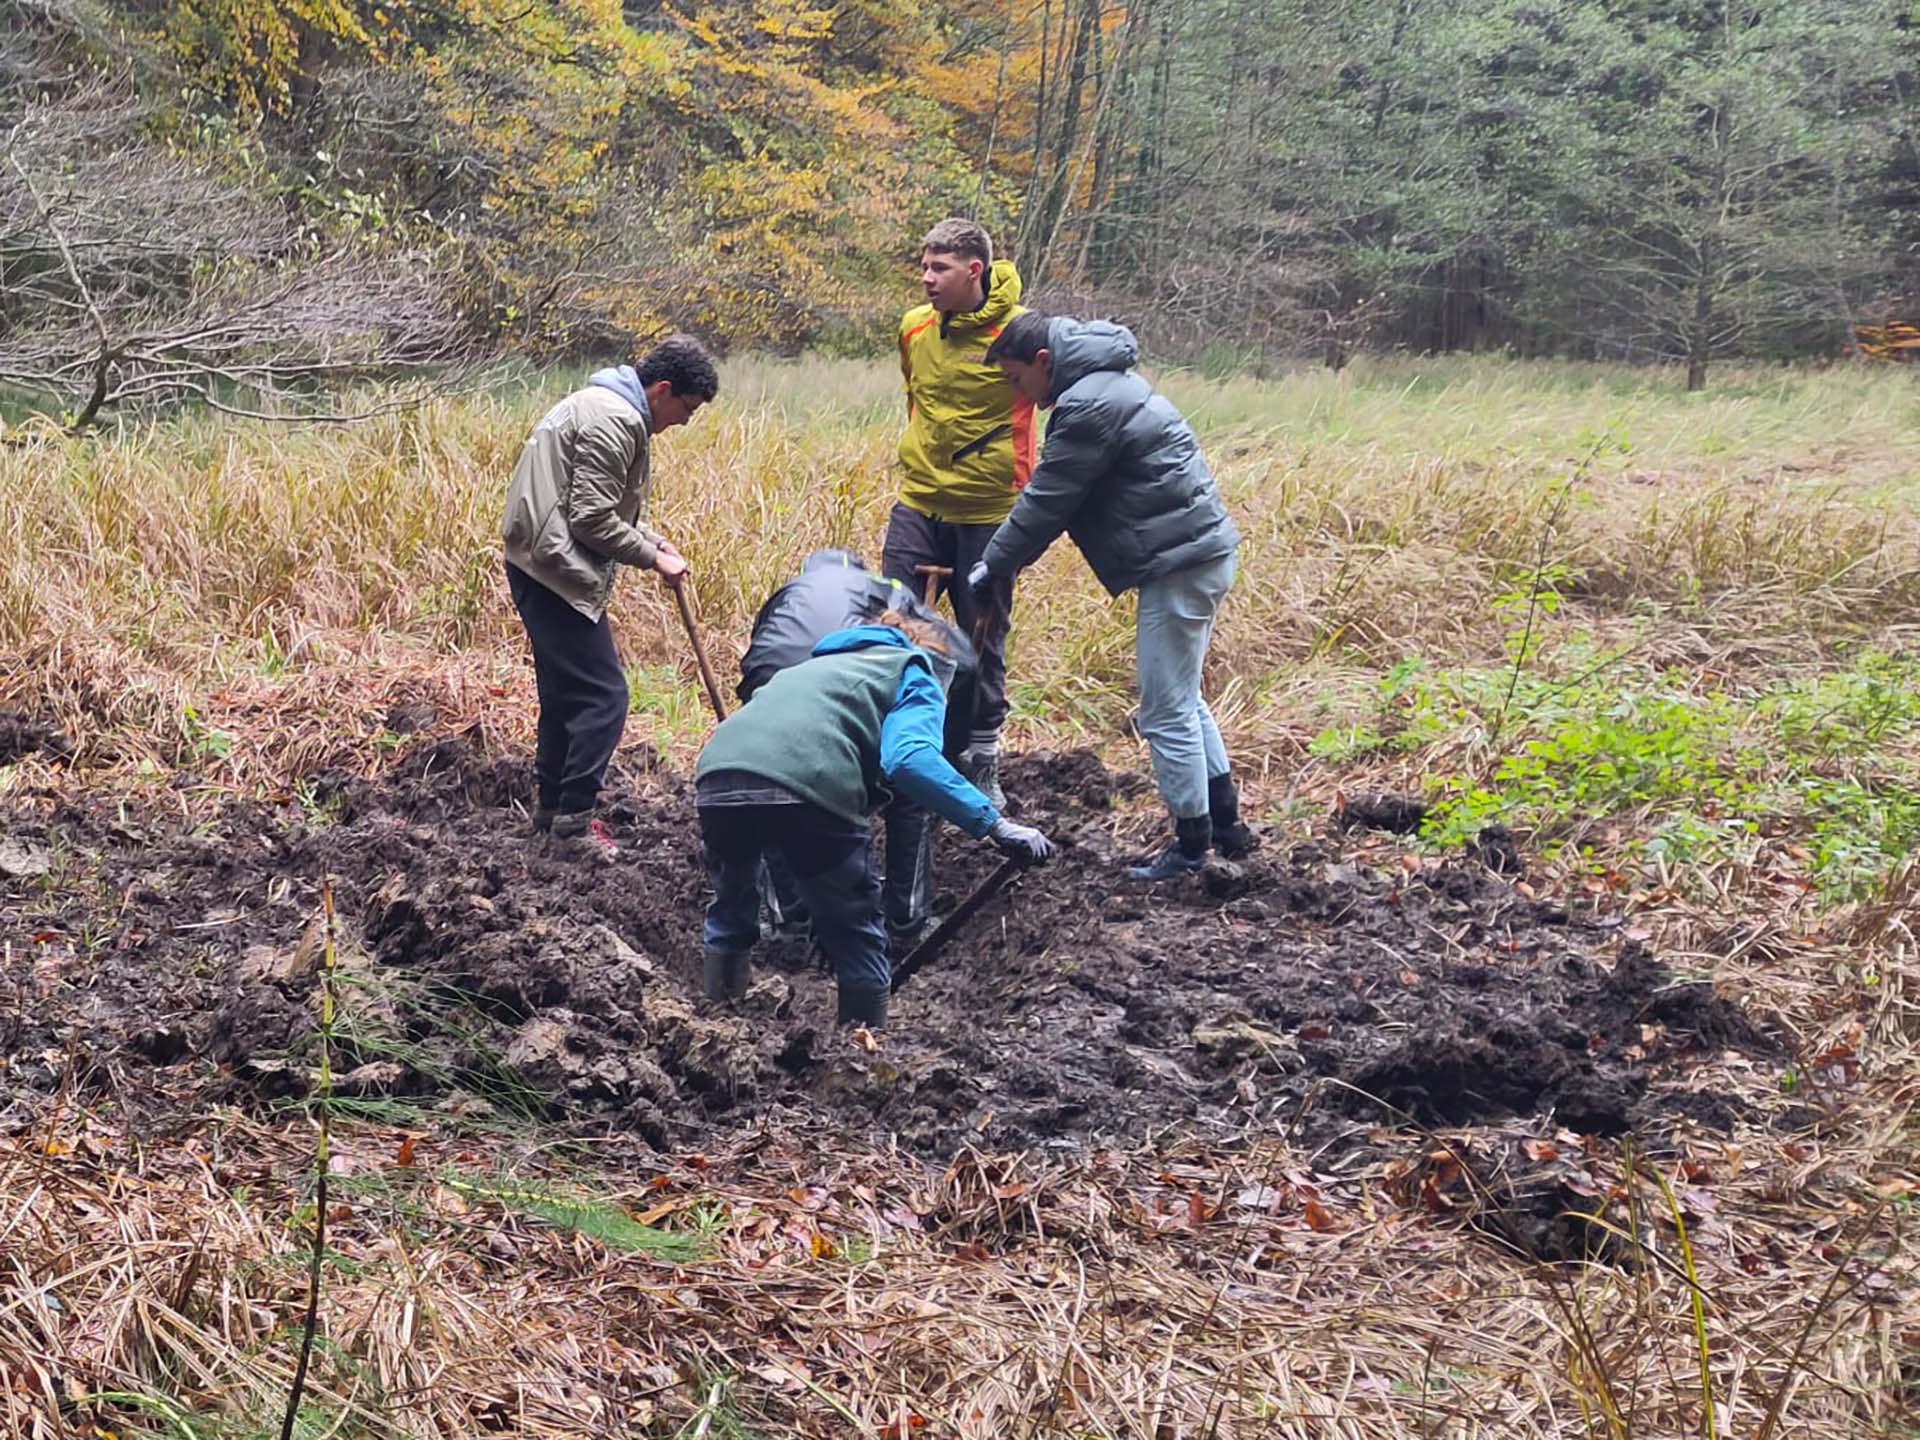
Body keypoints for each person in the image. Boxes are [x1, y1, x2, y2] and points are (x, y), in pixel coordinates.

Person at [970, 312, 1259, 879]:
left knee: (1163, 710)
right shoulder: (1107, 382)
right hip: (1200, 555)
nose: (1018, 394)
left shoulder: (1085, 406)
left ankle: (1189, 847)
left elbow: (1047, 500)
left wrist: (993, 564)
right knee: (1184, 697)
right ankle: (1226, 826)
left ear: (1043, 362)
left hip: (1181, 563)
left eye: (1016, 379)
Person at [694, 611, 1053, 1028]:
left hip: (717, 776)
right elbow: (908, 759)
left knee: (732, 909)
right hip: (812, 780)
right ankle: (860, 1057)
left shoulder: (810, 669)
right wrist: (993, 823)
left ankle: (717, 1025)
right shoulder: (914, 670)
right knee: (857, 934)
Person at [501, 334, 720, 840]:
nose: (685, 421)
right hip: (553, 567)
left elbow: (594, 506)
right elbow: (592, 519)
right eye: (685, 408)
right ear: (662, 389)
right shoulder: (616, 419)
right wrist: (652, 559)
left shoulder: (604, 406)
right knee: (604, 699)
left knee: (564, 697)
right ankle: (574, 825)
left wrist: (654, 541)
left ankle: (551, 815)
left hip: (540, 559)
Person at [738, 548, 979, 948]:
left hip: (772, 681)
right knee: (910, 791)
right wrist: (944, 754)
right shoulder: (887, 590)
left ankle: (790, 924)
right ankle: (905, 921)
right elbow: (963, 658)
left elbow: (760, 653)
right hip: (845, 685)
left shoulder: (787, 593)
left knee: (775, 782)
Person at [883, 217, 1036, 809]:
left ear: (975, 271)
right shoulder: (914, 328)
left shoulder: (1020, 331)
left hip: (990, 508)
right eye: (924, 266)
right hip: (920, 498)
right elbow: (916, 400)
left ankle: (979, 757)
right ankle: (899, 749)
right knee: (895, 622)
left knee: (982, 634)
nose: (927, 279)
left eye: (939, 268)